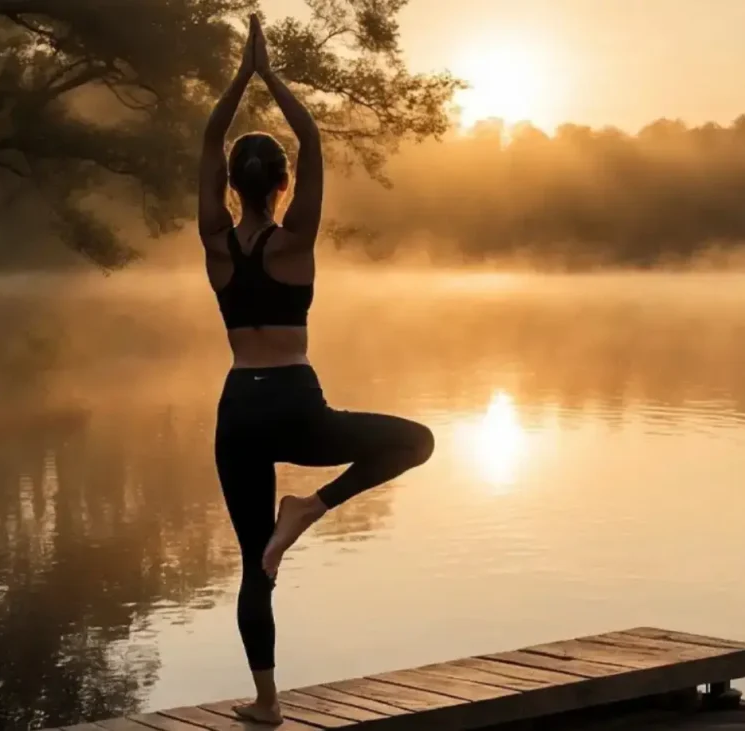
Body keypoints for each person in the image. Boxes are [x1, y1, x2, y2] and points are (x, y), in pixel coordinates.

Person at [197, 14, 435, 725]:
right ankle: (308, 510)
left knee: (252, 563)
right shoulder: (294, 241)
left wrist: (240, 76)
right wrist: (272, 75)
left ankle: (267, 703)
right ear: (284, 184)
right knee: (415, 440)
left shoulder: (216, 244)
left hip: (239, 407)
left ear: (232, 184)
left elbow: (210, 141)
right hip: (298, 405)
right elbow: (314, 141)